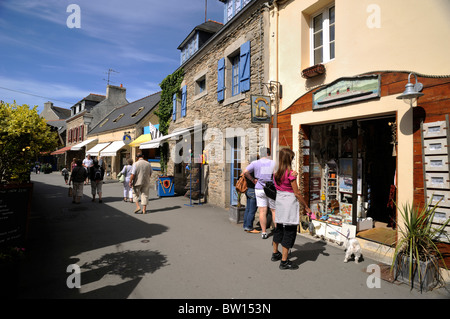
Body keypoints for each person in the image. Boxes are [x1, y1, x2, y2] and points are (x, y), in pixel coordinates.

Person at [271, 148, 311, 270]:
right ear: (289, 159)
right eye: (292, 158)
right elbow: (297, 193)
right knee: (289, 231)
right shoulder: (290, 174)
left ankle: (275, 253)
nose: (293, 160)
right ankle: (284, 261)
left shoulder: (276, 172)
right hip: (289, 203)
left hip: (280, 202)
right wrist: (306, 206)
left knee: (279, 228)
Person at [244, 147, 276, 239]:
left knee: (262, 211)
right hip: (270, 189)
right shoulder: (273, 163)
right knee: (274, 210)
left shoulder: (255, 163)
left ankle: (264, 232)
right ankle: (278, 231)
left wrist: (252, 179)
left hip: (259, 188)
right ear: (268, 154)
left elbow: (245, 171)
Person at [242, 156, 259, 233]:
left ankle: (245, 225)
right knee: (252, 210)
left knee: (248, 209)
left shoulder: (248, 168)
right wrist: (253, 179)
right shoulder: (254, 169)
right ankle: (249, 227)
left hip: (248, 189)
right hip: (252, 190)